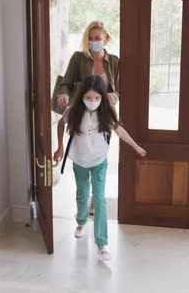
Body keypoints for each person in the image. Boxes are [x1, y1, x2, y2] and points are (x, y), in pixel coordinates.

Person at [53, 75, 146, 261]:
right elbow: (62, 123)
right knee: (81, 194)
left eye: (97, 98)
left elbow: (119, 130)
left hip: (99, 161)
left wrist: (135, 146)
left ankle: (102, 244)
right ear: (81, 96)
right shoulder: (73, 111)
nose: (93, 102)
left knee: (100, 199)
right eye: (88, 97)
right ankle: (80, 222)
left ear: (102, 97)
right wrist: (60, 147)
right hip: (79, 160)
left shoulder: (107, 113)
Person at [56, 21, 120, 216]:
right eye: (90, 39)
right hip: (80, 114)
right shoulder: (78, 58)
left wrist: (111, 98)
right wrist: (63, 94)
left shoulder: (114, 62)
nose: (93, 42)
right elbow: (66, 83)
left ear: (106, 39)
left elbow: (118, 91)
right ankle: (84, 200)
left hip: (103, 116)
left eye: (97, 39)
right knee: (84, 154)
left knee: (100, 155)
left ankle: (96, 196)